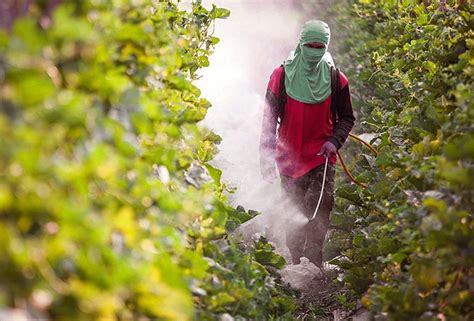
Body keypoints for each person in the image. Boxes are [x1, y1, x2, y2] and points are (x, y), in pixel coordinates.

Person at [259, 20, 355, 267]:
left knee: (321, 206)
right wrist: (266, 159)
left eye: (319, 46)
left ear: (326, 46)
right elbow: (269, 121)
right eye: (310, 45)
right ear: (301, 44)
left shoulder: (336, 79)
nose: (314, 51)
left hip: (322, 157)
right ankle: (295, 260)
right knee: (294, 211)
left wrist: (335, 141)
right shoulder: (280, 76)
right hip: (288, 159)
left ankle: (314, 261)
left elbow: (347, 118)